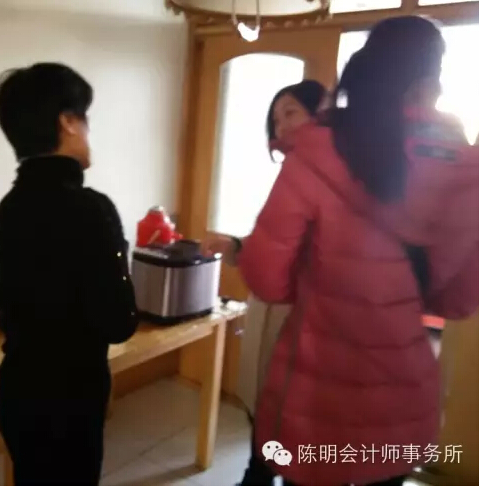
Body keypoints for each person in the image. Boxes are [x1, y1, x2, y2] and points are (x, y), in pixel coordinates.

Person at [204, 16, 478, 486]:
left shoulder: (320, 146)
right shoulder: (463, 165)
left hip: (316, 386)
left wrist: (311, 284)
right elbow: (458, 299)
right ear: (432, 82)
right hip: (399, 391)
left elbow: (266, 275)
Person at [0, 63, 139, 485]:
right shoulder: (92, 209)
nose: (88, 132)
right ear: (67, 122)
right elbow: (119, 323)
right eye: (85, 119)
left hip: (18, 394)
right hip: (70, 405)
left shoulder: (10, 207)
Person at [233, 80, 327, 486]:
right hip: (272, 308)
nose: (282, 125)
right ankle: (257, 472)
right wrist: (240, 247)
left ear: (320, 114)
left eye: (291, 112)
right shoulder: (293, 171)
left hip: (304, 315)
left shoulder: (330, 174)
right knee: (266, 407)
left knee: (295, 418)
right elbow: (279, 241)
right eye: (276, 118)